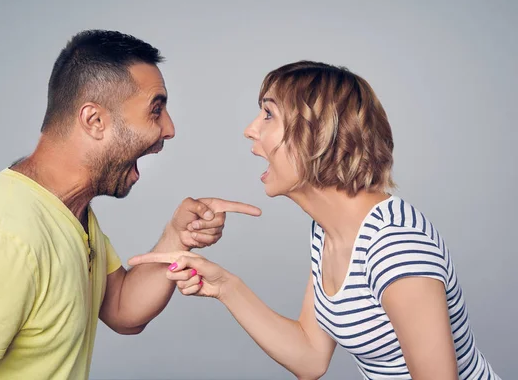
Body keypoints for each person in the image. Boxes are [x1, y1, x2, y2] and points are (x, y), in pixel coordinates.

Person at [0, 30, 261, 379]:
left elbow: (122, 308)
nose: (169, 129)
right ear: (94, 121)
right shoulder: (5, 241)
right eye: (156, 110)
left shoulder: (67, 211)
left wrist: (177, 237)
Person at [128, 61, 501, 380]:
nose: (250, 129)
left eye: (268, 114)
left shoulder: (394, 247)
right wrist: (225, 285)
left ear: (318, 135)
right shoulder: (329, 232)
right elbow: (310, 356)